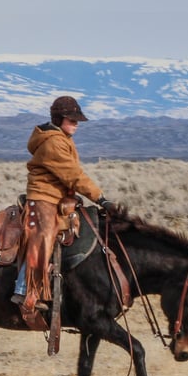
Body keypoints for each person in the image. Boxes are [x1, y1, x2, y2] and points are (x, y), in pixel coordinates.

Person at [12, 95, 118, 314]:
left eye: (77, 120)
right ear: (59, 119)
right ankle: (25, 290)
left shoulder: (61, 137)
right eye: (72, 120)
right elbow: (73, 175)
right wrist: (100, 198)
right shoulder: (53, 142)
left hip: (57, 196)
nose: (76, 124)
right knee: (45, 233)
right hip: (44, 196)